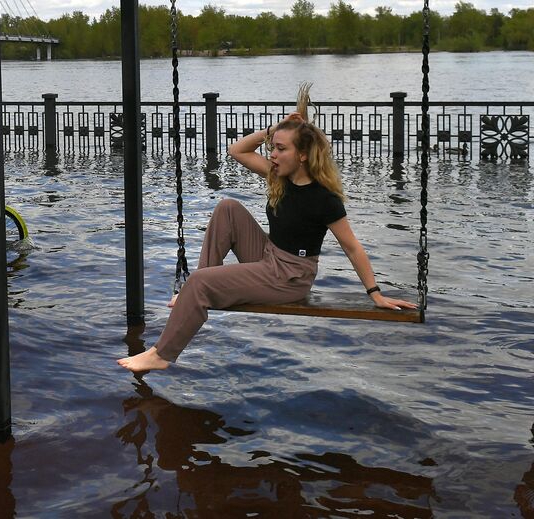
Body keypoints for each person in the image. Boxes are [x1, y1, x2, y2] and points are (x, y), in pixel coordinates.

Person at [118, 83, 416, 373]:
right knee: (228, 208)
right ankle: (195, 295)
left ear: (302, 156)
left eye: (280, 149)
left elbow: (352, 247)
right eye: (272, 148)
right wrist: (274, 130)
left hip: (290, 276)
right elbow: (236, 150)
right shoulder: (279, 178)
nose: (272, 154)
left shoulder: (325, 199)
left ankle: (162, 354)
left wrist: (374, 293)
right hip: (268, 256)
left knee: (199, 281)